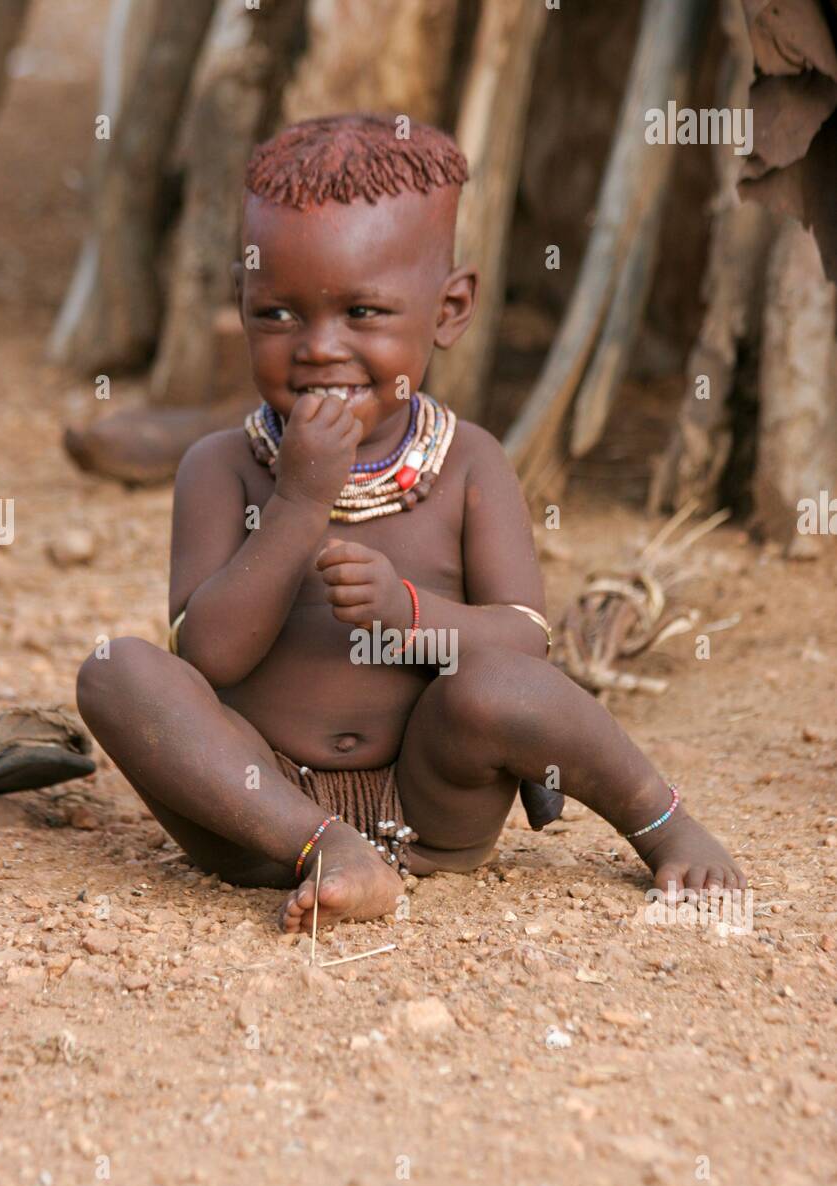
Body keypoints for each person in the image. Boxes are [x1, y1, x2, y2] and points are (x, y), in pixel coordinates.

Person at [76, 114, 745, 933]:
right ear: (240, 299)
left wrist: (409, 619)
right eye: (278, 315)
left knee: (500, 687)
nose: (319, 348)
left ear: (450, 308)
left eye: (362, 312)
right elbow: (208, 654)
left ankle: (660, 820)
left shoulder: (469, 463)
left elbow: (525, 643)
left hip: (434, 805)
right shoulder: (220, 466)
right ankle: (326, 848)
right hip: (258, 810)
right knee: (118, 671)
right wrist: (295, 505)